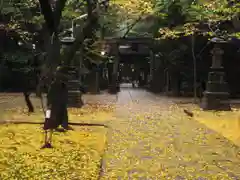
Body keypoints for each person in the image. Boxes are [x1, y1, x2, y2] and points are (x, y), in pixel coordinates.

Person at [41, 66, 72, 149]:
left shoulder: (58, 85)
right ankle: (48, 141)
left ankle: (48, 141)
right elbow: (53, 96)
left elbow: (51, 96)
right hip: (53, 107)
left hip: (53, 107)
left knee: (48, 123)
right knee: (48, 123)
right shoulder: (60, 85)